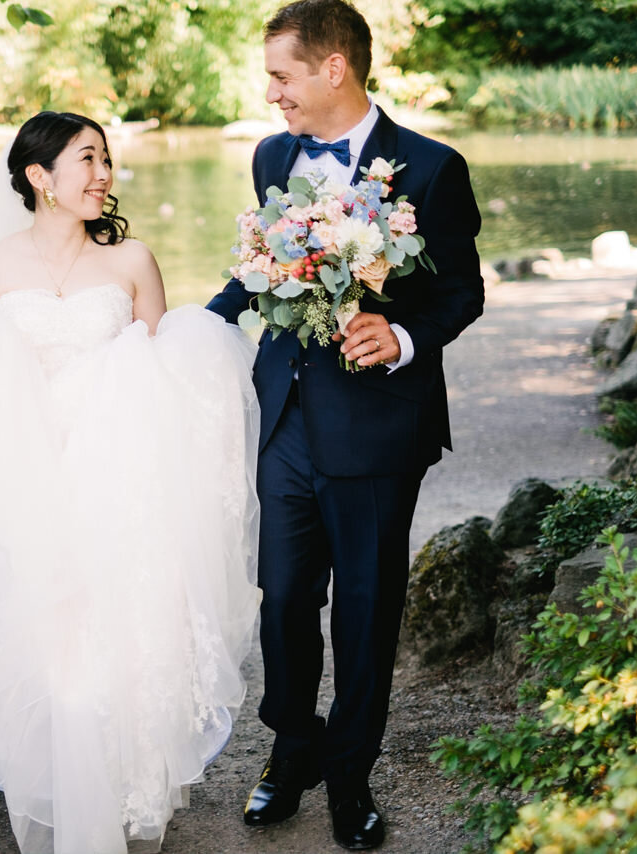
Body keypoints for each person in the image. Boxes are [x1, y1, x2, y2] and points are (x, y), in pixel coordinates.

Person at [0, 111, 262, 854]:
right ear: (40, 177)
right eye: (87, 159)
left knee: (113, 637)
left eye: (106, 159)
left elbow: (163, 378)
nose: (103, 175)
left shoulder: (133, 260)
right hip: (19, 482)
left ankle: (114, 787)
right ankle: (55, 786)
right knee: (35, 635)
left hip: (115, 476)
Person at [206, 1, 485, 849]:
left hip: (377, 425)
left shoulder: (432, 169)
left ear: (334, 69)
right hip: (284, 414)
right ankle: (292, 751)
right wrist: (184, 328)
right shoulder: (271, 157)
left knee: (365, 608)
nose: (272, 96)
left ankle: (352, 773)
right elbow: (262, 273)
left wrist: (400, 335)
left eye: (282, 76)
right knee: (284, 598)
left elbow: (461, 295)